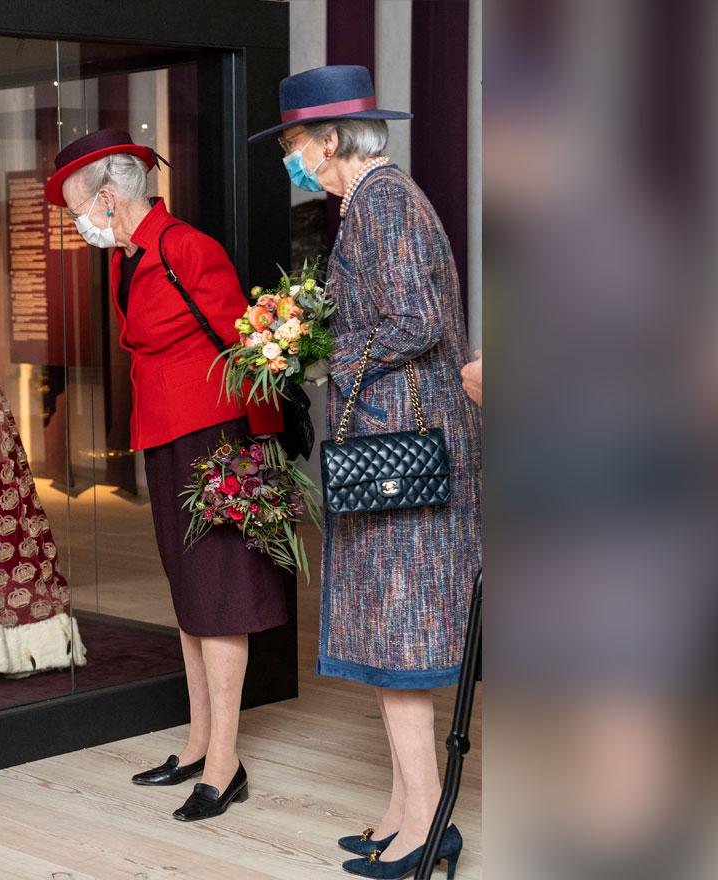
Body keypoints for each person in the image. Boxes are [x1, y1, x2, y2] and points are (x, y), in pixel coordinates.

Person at [249, 65, 482, 877]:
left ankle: (428, 829)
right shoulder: (375, 201)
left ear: (332, 140)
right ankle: (405, 810)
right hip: (398, 444)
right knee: (393, 631)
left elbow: (415, 321)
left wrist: (331, 355)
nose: (293, 159)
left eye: (295, 144)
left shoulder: (381, 201)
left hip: (404, 450)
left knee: (404, 634)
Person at [44, 130, 287, 822]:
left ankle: (224, 763)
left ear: (109, 196)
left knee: (219, 598)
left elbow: (247, 352)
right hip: (167, 438)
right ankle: (199, 743)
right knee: (190, 598)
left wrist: (257, 456)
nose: (76, 223)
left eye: (74, 209)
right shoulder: (132, 256)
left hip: (214, 441)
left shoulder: (186, 248)